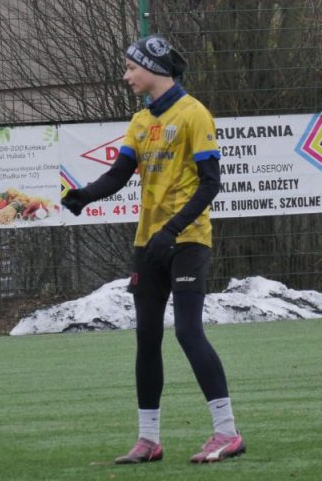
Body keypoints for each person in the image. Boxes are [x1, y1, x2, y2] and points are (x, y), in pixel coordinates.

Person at [61, 34, 245, 464]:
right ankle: (148, 440)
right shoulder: (141, 120)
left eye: (131, 68)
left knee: (187, 331)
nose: (126, 76)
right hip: (148, 243)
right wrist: (84, 195)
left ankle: (228, 433)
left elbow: (211, 184)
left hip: (187, 240)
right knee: (146, 338)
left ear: (154, 69)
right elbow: (118, 175)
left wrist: (174, 229)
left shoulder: (194, 113)